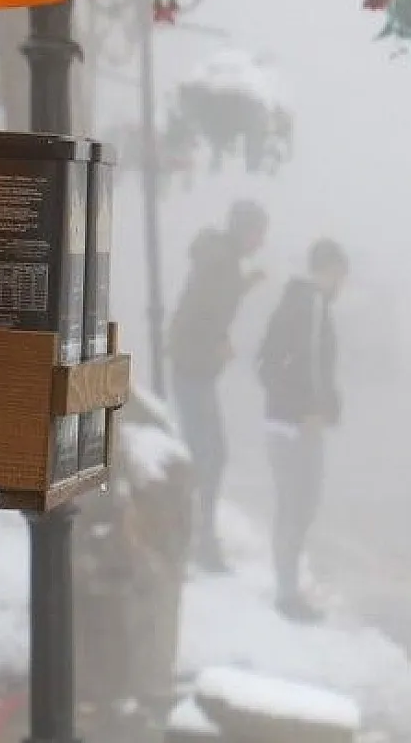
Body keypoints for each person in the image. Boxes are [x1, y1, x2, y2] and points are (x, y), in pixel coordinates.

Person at [167, 199, 269, 572]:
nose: (261, 242)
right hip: (194, 369)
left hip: (194, 369)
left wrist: (244, 285)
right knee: (209, 455)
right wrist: (216, 344)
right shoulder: (221, 264)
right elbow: (200, 313)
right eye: (259, 233)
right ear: (245, 232)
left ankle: (198, 535)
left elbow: (209, 301)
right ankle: (198, 537)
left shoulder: (220, 262)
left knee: (208, 454)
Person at [255, 238, 349, 623]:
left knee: (292, 505)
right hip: (297, 425)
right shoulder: (311, 304)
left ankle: (287, 587)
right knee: (300, 505)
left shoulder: (295, 300)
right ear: (329, 270)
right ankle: (287, 594)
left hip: (284, 420)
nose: (342, 285)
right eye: (341, 276)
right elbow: (309, 363)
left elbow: (274, 359)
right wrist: (312, 409)